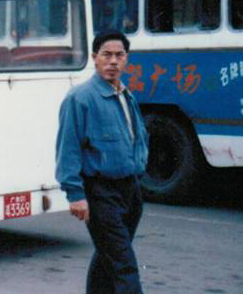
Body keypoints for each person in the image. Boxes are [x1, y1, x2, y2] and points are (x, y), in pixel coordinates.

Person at [55, 31, 149, 294]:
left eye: (119, 55)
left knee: (109, 255)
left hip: (130, 190)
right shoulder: (80, 98)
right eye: (106, 55)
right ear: (94, 58)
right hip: (100, 192)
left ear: (126, 59)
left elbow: (137, 137)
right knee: (124, 264)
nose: (113, 62)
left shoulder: (125, 94)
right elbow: (68, 148)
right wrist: (75, 194)